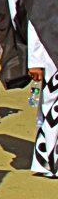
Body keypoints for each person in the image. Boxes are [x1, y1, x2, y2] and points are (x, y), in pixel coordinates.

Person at [28, 23, 56, 177]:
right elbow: (36, 22)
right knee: (51, 109)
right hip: (53, 56)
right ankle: (48, 163)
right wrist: (35, 62)